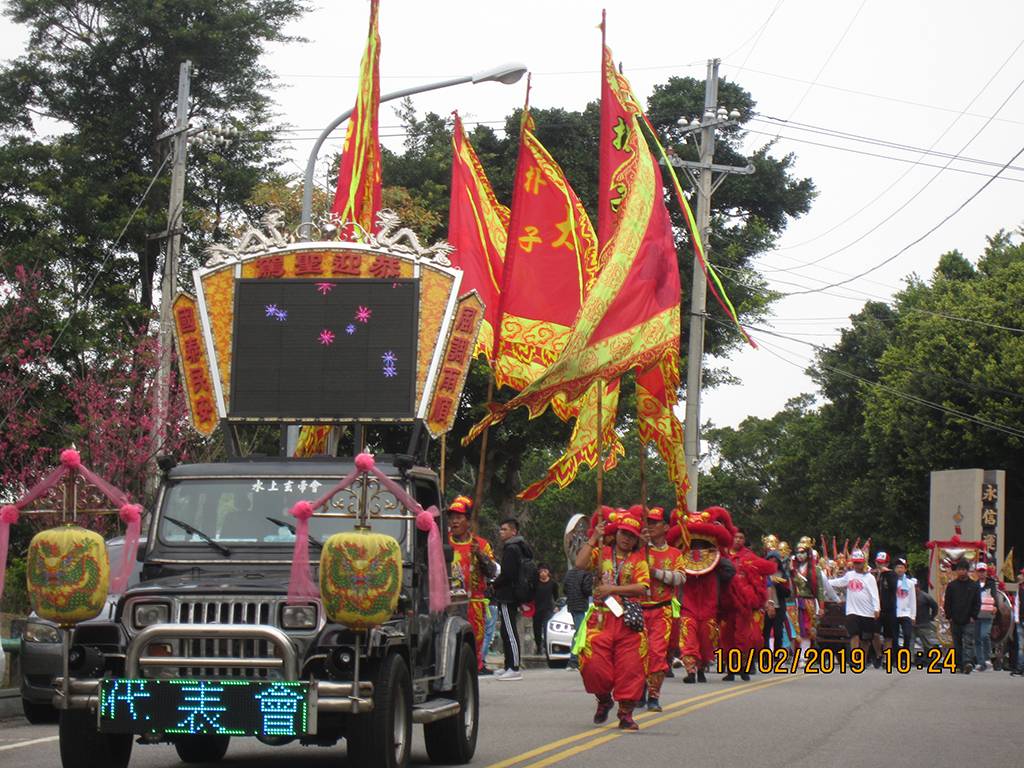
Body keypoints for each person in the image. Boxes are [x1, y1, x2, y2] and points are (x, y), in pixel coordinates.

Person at [574, 506, 650, 731]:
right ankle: (604, 699)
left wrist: (613, 589)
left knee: (631, 667)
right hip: (601, 619)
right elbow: (579, 564)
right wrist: (593, 538)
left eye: (631, 536)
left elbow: (643, 587)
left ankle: (626, 714)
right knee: (592, 664)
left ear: (636, 540)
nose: (626, 539)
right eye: (623, 533)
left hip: (628, 620)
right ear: (616, 533)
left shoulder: (638, 559)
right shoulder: (602, 552)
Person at [672, 506, 734, 683]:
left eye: (701, 544)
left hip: (709, 606)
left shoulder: (717, 561)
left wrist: (717, 559)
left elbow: (730, 571)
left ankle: (701, 668)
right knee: (688, 635)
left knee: (707, 638)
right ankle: (691, 670)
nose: (697, 548)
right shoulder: (679, 557)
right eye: (694, 543)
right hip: (687, 605)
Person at [446, 496, 498, 674]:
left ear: (468, 521)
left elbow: (492, 572)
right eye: (452, 517)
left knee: (474, 643)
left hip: (474, 604)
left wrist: (480, 555)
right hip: (450, 603)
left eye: (459, 517)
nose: (454, 521)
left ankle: (472, 674)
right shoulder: (444, 543)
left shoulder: (481, 544)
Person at [641, 507, 685, 711]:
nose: (650, 525)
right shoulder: (640, 550)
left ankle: (653, 695)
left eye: (654, 522)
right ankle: (638, 690)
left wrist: (655, 573)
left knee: (657, 654)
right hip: (637, 609)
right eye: (648, 522)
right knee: (637, 654)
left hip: (662, 611)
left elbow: (680, 578)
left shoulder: (675, 554)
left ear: (666, 527)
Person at [719, 524, 777, 680]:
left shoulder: (750, 557)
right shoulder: (722, 555)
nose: (738, 540)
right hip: (727, 603)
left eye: (741, 538)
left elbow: (762, 579)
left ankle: (744, 667)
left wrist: (764, 600)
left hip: (745, 604)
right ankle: (731, 670)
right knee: (726, 637)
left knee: (744, 636)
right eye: (736, 537)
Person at [492, 517, 533, 681]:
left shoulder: (511, 549)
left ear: (513, 531)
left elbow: (508, 574)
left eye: (504, 529)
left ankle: (514, 667)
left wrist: (494, 584)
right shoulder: (519, 547)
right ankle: (508, 665)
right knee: (505, 630)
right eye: (500, 529)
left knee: (509, 631)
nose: (501, 532)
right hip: (513, 594)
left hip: (508, 595)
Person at [828, 549, 880, 657]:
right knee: (854, 635)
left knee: (865, 639)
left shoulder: (870, 578)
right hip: (853, 611)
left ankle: (863, 659)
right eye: (855, 563)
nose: (857, 565)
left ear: (863, 562)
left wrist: (876, 608)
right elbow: (839, 582)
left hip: (867, 612)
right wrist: (825, 581)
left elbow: (875, 594)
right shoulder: (850, 575)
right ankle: (854, 658)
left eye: (859, 563)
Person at [790, 536, 827, 657]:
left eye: (802, 552)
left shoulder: (816, 570)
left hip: (809, 602)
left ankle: (804, 656)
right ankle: (796, 654)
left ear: (808, 553)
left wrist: (821, 607)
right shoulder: (793, 569)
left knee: (807, 628)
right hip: (795, 602)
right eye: (798, 553)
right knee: (796, 628)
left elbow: (820, 590)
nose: (800, 555)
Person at [943, 559, 980, 673]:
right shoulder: (952, 586)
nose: (961, 572)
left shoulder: (974, 585)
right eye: (959, 569)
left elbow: (977, 602)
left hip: (969, 619)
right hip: (955, 619)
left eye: (963, 569)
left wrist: (974, 616)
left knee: (968, 642)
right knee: (957, 643)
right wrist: (949, 616)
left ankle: (968, 662)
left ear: (967, 571)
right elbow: (947, 602)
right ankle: (959, 664)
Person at [564, 563, 594, 671]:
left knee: (579, 632)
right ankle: (574, 660)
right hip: (581, 605)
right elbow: (587, 590)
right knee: (580, 633)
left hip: (572, 605)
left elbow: (565, 589)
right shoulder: (586, 573)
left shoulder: (569, 573)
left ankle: (576, 659)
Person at [872, 551, 898, 667]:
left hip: (889, 608)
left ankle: (886, 659)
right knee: (875, 633)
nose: (880, 565)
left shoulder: (892, 575)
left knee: (888, 636)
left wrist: (886, 573)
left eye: (883, 563)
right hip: (876, 608)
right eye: (878, 563)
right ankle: (878, 654)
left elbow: (894, 587)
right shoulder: (872, 574)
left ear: (887, 563)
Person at [974, 561, 998, 671]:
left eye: (983, 571)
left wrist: (995, 606)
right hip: (977, 614)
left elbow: (995, 596)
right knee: (977, 638)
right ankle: (980, 662)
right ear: (977, 572)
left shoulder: (991, 583)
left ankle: (987, 658)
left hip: (988, 613)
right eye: (980, 571)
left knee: (984, 635)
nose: (981, 573)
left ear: (986, 572)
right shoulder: (974, 584)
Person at [532, 564, 559, 658]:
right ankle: (538, 647)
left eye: (545, 571)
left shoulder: (553, 583)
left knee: (547, 629)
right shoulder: (535, 583)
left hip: (548, 609)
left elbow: (556, 596)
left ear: (548, 572)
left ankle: (547, 647)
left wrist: (557, 606)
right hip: (537, 609)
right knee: (537, 629)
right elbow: (531, 595)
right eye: (541, 571)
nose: (543, 573)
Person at [893, 558, 917, 651]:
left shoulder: (910, 583)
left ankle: (905, 653)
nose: (899, 569)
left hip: (906, 613)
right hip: (894, 612)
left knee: (907, 635)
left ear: (905, 569)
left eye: (901, 567)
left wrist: (913, 615)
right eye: (897, 567)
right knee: (894, 637)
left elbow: (912, 599)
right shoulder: (892, 581)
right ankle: (895, 655)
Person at [914, 583, 940, 652]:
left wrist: (931, 617)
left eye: (915, 587)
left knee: (927, 644)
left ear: (918, 587)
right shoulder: (908, 596)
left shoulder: (925, 596)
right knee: (910, 644)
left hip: (923, 624)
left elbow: (935, 606)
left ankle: (929, 656)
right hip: (912, 624)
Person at [1011, 569, 1024, 676]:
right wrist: (1016, 618)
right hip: (1020, 619)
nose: (1020, 576)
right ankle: (1020, 668)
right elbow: (1016, 604)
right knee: (1021, 646)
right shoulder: (1019, 589)